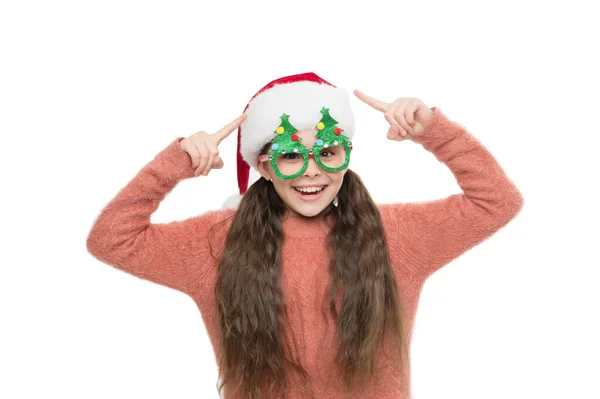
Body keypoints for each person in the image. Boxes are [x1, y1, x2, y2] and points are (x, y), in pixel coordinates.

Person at [86, 72, 524, 399]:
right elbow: (111, 239)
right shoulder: (216, 244)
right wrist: (177, 163)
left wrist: (433, 131)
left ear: (345, 156)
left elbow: (497, 202)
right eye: (291, 155)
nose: (312, 170)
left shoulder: (396, 236)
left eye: (328, 152)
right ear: (263, 167)